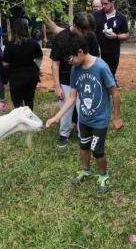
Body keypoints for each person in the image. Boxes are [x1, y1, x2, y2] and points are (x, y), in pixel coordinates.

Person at [46, 32, 122, 193]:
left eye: (70, 58)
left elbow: (114, 92)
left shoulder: (101, 67)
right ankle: (86, 170)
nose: (69, 62)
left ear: (80, 51)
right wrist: (56, 117)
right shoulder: (75, 70)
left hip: (100, 120)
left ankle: (103, 175)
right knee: (84, 146)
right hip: (84, 119)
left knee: (98, 151)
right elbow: (72, 97)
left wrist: (117, 118)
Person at [47, 12, 100, 148]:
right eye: (83, 30)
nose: (86, 34)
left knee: (84, 108)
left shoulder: (90, 35)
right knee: (66, 108)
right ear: (75, 26)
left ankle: (84, 134)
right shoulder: (62, 38)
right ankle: (64, 134)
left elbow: (96, 59)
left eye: (88, 30)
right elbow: (55, 64)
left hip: (85, 80)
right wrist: (57, 86)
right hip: (65, 80)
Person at [2, 18, 43, 110]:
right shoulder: (33, 43)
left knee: (17, 104)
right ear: (26, 28)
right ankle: (30, 121)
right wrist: (37, 67)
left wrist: (5, 78)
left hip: (16, 78)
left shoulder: (9, 45)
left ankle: (21, 122)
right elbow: (40, 56)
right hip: (31, 76)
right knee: (29, 101)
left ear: (13, 30)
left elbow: (5, 64)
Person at [94, 0, 130, 88]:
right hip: (98, 51)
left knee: (111, 72)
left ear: (112, 3)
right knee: (98, 73)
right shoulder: (96, 15)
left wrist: (116, 36)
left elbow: (126, 34)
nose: (103, 6)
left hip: (113, 51)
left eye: (106, 4)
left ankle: (112, 82)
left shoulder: (121, 18)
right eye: (102, 4)